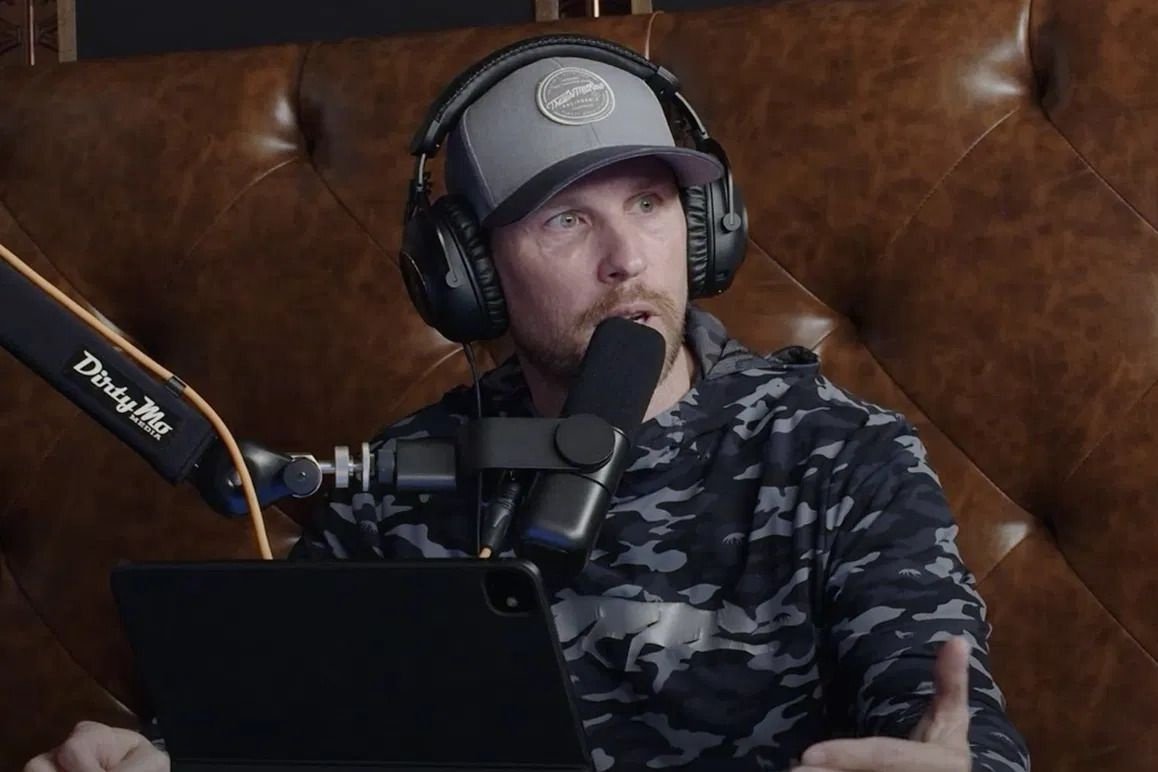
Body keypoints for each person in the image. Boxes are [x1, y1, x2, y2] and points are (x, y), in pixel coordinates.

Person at [25, 40, 1031, 772]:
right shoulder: (407, 478)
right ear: (468, 273)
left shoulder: (842, 455)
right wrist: (151, 758)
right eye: (565, 219)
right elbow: (270, 724)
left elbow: (944, 716)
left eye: (650, 204)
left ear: (705, 228)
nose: (627, 258)